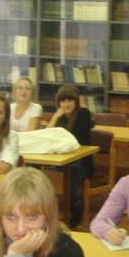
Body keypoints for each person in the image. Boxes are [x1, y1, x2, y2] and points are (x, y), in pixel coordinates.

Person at [46, 84, 93, 228]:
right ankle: (50, 212)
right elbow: (46, 136)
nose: (67, 104)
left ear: (76, 101)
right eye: (63, 101)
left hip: (81, 161)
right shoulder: (59, 118)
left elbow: (75, 139)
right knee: (44, 172)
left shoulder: (83, 113)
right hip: (61, 161)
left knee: (72, 172)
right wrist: (55, 116)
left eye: (70, 100)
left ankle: (75, 210)